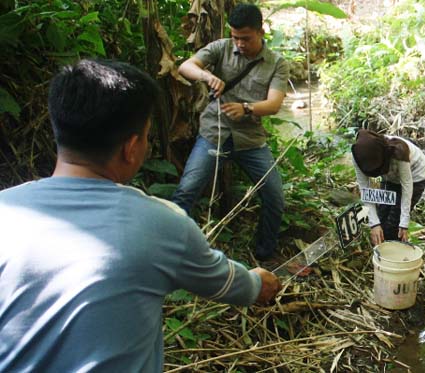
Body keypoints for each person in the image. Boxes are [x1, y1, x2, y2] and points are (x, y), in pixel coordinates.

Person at [0, 59, 280, 372]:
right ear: (131, 147)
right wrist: (259, 283)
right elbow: (229, 284)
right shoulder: (161, 223)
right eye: (146, 136)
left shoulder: (5, 210)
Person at [172, 3, 289, 261]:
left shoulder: (277, 64)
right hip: (214, 133)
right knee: (186, 191)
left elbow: (274, 104)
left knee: (274, 196)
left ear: (260, 32)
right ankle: (176, 252)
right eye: (235, 37)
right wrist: (206, 76)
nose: (239, 44)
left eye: (245, 38)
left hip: (250, 141)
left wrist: (246, 108)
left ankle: (265, 254)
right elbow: (185, 67)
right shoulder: (221, 47)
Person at [351, 129, 425, 245]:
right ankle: (381, 247)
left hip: (415, 176)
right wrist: (374, 224)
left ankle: (393, 251)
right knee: (381, 216)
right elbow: (365, 189)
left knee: (394, 225)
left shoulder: (398, 151)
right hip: (388, 177)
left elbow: (407, 187)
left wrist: (404, 222)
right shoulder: (359, 156)